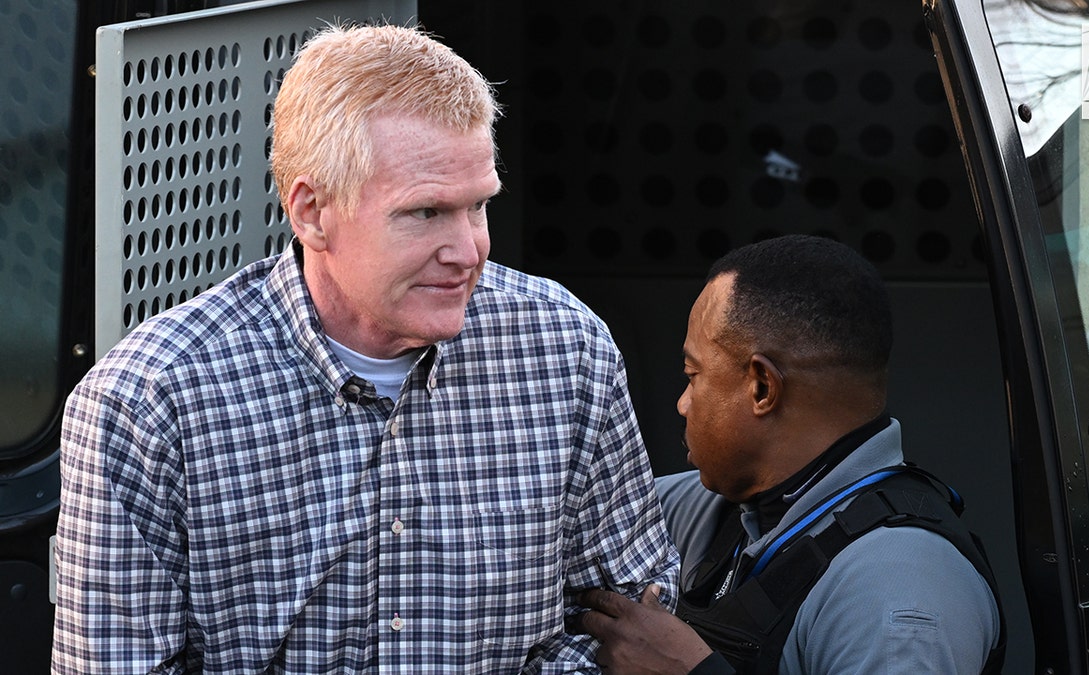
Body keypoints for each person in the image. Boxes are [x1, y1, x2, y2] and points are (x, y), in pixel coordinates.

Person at [52, 23, 677, 673]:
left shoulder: (564, 349)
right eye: (425, 213)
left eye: (478, 207)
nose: (468, 252)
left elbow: (632, 623)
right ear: (312, 212)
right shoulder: (149, 401)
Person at [575, 235, 1004, 674]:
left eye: (694, 374)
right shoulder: (730, 506)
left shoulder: (900, 591)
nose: (683, 403)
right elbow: (574, 516)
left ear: (762, 387)